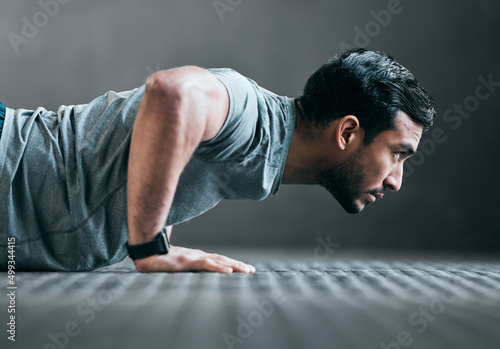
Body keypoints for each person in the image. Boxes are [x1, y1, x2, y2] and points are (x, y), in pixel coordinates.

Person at [0, 49, 435, 273]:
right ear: (347, 132)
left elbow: (172, 144)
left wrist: (162, 236)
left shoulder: (264, 144)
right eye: (398, 154)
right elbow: (172, 94)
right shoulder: (251, 112)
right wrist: (148, 246)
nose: (396, 179)